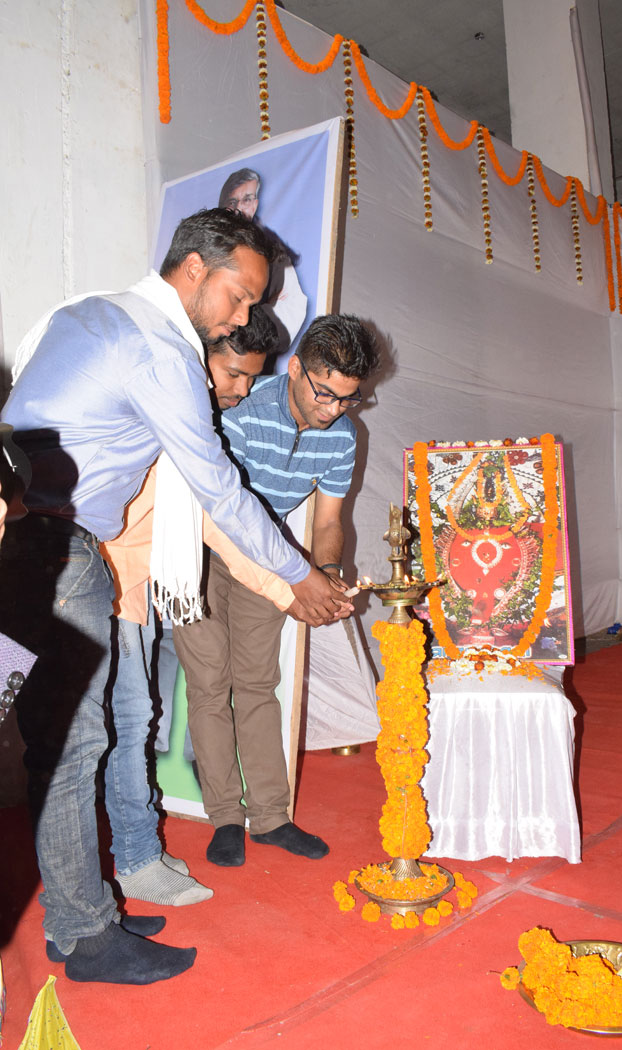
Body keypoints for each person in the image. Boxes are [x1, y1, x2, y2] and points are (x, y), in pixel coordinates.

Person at [0, 208, 349, 986]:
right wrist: (297, 578)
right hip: (57, 551)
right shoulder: (161, 348)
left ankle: (71, 916)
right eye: (239, 295)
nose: (243, 315)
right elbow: (217, 489)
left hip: (20, 542)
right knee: (75, 746)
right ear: (195, 269)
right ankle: (89, 936)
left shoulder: (88, 312)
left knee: (61, 741)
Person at [173, 314, 379, 867]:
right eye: (325, 394)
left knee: (258, 683)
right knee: (211, 684)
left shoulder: (343, 435)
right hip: (198, 550)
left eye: (349, 399)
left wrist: (328, 569)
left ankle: (270, 817)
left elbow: (329, 520)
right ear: (295, 370)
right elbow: (226, 512)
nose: (333, 410)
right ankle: (225, 819)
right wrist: (296, 577)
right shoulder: (237, 403)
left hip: (272, 558)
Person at [101, 306, 280, 911]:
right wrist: (295, 587)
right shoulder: (158, 412)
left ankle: (132, 858)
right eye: (233, 375)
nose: (243, 390)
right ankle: (120, 874)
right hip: (91, 588)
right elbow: (222, 517)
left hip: (135, 592)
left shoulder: (182, 418)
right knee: (106, 735)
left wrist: (290, 586)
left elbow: (213, 518)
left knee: (129, 725)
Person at [218, 167, 307, 355]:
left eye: (247, 200)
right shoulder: (211, 243)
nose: (239, 208)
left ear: (255, 204)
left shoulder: (273, 249)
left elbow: (291, 304)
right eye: (233, 201)